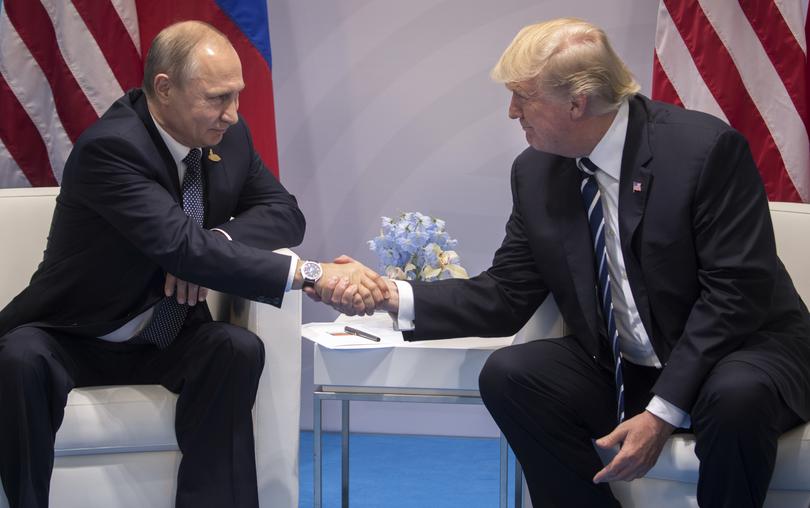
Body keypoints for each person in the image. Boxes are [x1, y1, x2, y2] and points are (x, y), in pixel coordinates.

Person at [319, 18, 810, 508]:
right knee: (512, 373)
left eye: (522, 97)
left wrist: (660, 413)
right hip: (628, 363)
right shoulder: (537, 171)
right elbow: (507, 294)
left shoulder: (703, 151)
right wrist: (388, 294)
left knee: (736, 396)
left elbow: (733, 296)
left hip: (740, 351)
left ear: (577, 102)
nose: (511, 112)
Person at [0, 21, 385, 508]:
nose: (233, 114)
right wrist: (314, 274)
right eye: (217, 98)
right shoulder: (112, 148)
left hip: (165, 335)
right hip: (74, 334)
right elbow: (181, 249)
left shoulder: (228, 135)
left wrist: (212, 243)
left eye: (237, 96)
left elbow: (285, 214)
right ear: (164, 88)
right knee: (19, 359)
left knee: (235, 348)